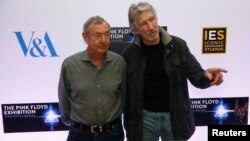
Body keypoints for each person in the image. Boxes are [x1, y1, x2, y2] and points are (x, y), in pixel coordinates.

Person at [122, 2, 228, 141]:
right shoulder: (129, 54)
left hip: (175, 118)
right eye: (144, 24)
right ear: (135, 29)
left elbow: (196, 75)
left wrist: (208, 76)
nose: (151, 27)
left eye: (152, 19)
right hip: (144, 120)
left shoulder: (178, 46)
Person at [58, 16, 126, 141]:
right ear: (85, 37)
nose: (104, 40)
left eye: (107, 35)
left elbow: (124, 96)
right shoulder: (70, 64)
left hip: (113, 133)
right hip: (80, 134)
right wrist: (69, 120)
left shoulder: (119, 62)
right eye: (98, 35)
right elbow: (64, 98)